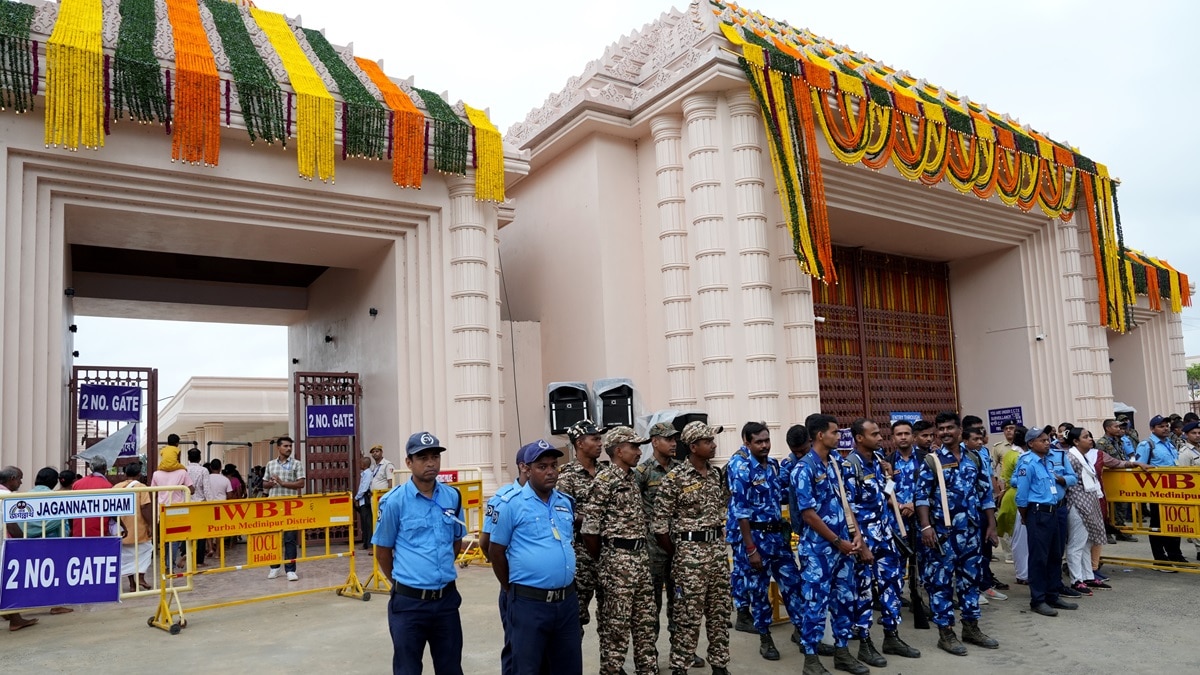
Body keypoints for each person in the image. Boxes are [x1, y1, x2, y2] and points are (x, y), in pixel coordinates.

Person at [372, 431, 465, 675]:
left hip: (446, 601)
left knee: (451, 667)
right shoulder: (394, 502)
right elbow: (383, 550)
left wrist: (438, 571)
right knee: (408, 669)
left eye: (435, 456)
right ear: (409, 463)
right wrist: (404, 580)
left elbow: (455, 541)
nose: (431, 463)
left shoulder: (452, 497)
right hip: (409, 604)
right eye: (422, 457)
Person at [488, 439, 582, 675]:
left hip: (566, 601)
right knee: (527, 667)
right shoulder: (511, 504)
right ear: (527, 469)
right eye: (542, 466)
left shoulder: (565, 502)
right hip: (530, 601)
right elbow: (495, 551)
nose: (550, 471)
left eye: (554, 465)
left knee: (568, 666)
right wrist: (510, 587)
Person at [914, 412, 999, 656]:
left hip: (971, 532)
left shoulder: (974, 458)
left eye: (950, 428)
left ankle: (971, 628)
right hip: (942, 534)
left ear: (959, 430)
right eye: (941, 429)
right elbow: (921, 497)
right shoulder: (932, 461)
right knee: (940, 584)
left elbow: (985, 494)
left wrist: (991, 525)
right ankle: (946, 633)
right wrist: (926, 527)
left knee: (970, 580)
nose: (944, 432)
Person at [652, 421, 731, 675]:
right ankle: (680, 666)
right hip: (689, 555)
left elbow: (721, 510)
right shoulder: (675, 479)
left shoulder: (717, 475)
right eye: (708, 442)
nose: (714, 445)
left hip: (717, 554)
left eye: (713, 440)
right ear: (694, 447)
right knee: (688, 616)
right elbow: (659, 524)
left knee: (719, 612)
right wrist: (679, 553)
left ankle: (719, 664)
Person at [725, 421, 806, 662]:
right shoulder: (741, 469)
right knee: (759, 592)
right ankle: (765, 637)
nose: (764, 445)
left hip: (776, 538)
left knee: (793, 585)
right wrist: (750, 549)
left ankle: (803, 633)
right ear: (747, 443)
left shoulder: (772, 465)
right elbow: (741, 513)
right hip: (755, 539)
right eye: (758, 441)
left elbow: (779, 495)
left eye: (767, 440)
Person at [843, 418, 921, 666]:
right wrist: (861, 544)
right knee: (864, 591)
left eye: (879, 433)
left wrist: (889, 480)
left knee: (892, 585)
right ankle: (865, 642)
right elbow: (848, 508)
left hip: (885, 535)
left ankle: (891, 635)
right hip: (864, 540)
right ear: (859, 438)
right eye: (874, 434)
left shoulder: (878, 461)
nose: (880, 438)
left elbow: (885, 493)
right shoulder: (849, 466)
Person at [790, 414, 864, 675]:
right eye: (834, 432)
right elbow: (808, 514)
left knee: (844, 600)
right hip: (819, 551)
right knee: (815, 605)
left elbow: (845, 503)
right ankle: (811, 659)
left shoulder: (835, 464)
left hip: (844, 547)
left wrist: (856, 535)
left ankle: (842, 652)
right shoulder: (803, 468)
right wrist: (837, 541)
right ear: (820, 435)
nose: (838, 436)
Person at [582, 427, 658, 675]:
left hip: (640, 560)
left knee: (646, 624)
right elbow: (589, 530)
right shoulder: (605, 481)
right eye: (634, 447)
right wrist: (606, 559)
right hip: (617, 564)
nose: (639, 452)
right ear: (618, 451)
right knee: (616, 629)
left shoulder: (631, 478)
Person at [635, 422, 704, 669]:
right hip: (653, 550)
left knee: (682, 603)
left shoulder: (682, 470)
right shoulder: (642, 472)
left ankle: (683, 652)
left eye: (675, 439)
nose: (674, 443)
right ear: (655, 442)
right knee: (650, 605)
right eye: (668, 439)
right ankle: (649, 654)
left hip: (681, 547)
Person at [1012, 427, 1077, 617]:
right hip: (1038, 513)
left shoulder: (1048, 461)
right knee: (1039, 558)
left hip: (1054, 511)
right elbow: (1022, 497)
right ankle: (1038, 599)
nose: (1047, 442)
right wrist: (1026, 516)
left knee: (1055, 555)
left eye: (1048, 439)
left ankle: (1052, 594)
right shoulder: (1028, 463)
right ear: (1031, 444)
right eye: (1042, 440)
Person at [481, 444, 531, 675]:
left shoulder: (553, 497)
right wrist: (507, 582)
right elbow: (486, 544)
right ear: (523, 467)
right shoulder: (502, 499)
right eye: (540, 465)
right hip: (515, 586)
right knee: (516, 645)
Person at [557, 419, 606, 631]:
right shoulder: (566, 476)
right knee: (575, 616)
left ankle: (612, 664)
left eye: (600, 438)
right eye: (594, 439)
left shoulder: (607, 472)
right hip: (580, 553)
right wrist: (595, 520)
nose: (600, 443)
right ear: (579, 443)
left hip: (608, 551)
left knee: (612, 616)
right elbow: (564, 513)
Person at [1062, 428, 1109, 595]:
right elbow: (1068, 483)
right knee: (1076, 544)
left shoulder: (1084, 457)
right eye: (1086, 437)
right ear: (1075, 442)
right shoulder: (1071, 458)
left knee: (1087, 543)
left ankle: (1087, 576)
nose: (1090, 439)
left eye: (1089, 436)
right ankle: (1076, 580)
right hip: (1078, 504)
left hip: (1089, 502)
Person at [1135, 415, 1185, 565]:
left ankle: (1175, 553)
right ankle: (1160, 558)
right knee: (1157, 524)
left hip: (1174, 491)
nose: (1165, 428)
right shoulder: (1147, 445)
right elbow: (1139, 467)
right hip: (1157, 491)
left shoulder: (1169, 443)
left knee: (1174, 523)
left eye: (1167, 425)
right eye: (1161, 426)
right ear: (1152, 429)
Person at [1, 466, 41, 630]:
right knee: (8, 580)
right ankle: (15, 619)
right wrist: (24, 542)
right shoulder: (6, 496)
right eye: (19, 478)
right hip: (4, 543)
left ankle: (10, 614)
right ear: (11, 479)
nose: (21, 482)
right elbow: (11, 525)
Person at [264, 436, 305, 581]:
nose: (288, 449)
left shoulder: (297, 464)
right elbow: (264, 484)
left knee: (290, 538)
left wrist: (282, 483)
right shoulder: (270, 464)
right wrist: (271, 483)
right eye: (286, 446)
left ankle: (290, 569)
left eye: (290, 446)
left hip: (290, 506)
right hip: (273, 507)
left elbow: (301, 484)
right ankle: (274, 567)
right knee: (274, 538)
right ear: (278, 447)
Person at [114, 461, 154, 592]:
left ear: (125, 473)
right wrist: (150, 525)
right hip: (139, 527)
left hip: (121, 528)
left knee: (126, 556)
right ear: (139, 474)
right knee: (146, 551)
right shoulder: (141, 487)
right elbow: (145, 507)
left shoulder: (116, 487)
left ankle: (132, 584)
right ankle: (141, 577)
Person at [357, 444, 395, 550]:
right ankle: (376, 546)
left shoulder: (387, 465)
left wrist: (388, 497)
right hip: (373, 497)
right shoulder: (373, 467)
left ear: (381, 452)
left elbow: (390, 482)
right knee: (375, 522)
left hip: (382, 497)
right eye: (373, 452)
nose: (375, 453)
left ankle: (383, 546)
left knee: (383, 521)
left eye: (377, 451)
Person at [74, 457, 116, 537]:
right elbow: (113, 512)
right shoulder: (107, 486)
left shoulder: (77, 484)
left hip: (78, 532)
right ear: (105, 467)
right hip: (99, 533)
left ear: (91, 468)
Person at [185, 449, 212, 567]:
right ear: (200, 458)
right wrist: (211, 504)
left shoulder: (184, 470)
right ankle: (199, 560)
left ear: (188, 458)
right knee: (201, 533)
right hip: (200, 505)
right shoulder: (203, 470)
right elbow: (206, 489)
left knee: (187, 532)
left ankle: (187, 556)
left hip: (186, 504)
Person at [1177, 422, 1200, 561]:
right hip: (1194, 493)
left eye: (1199, 433)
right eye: (1194, 433)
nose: (1197, 436)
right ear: (1186, 435)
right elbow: (1183, 477)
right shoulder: (1185, 453)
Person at [25, 468, 65, 538]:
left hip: (27, 541)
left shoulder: (23, 497)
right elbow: (61, 521)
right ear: (54, 481)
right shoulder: (58, 498)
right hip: (52, 541)